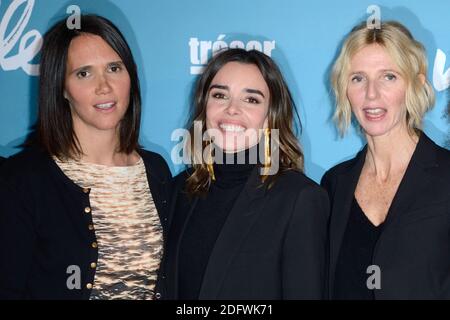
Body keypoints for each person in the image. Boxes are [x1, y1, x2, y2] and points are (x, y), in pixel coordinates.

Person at [0, 15, 171, 300]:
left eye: (114, 68)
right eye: (84, 73)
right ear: (61, 88)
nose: (104, 86)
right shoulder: (24, 179)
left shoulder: (156, 171)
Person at [156, 48, 329, 300]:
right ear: (204, 106)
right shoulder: (179, 190)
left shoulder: (299, 199)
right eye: (220, 95)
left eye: (251, 99)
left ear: (271, 117)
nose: (232, 109)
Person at [322, 21, 450, 299]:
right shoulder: (333, 185)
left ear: (415, 84)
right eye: (358, 78)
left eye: (388, 77)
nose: (371, 93)